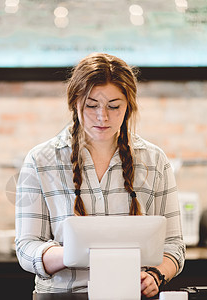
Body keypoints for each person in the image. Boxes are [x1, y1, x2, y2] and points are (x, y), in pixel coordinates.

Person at [15, 52, 185, 298]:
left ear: (129, 106)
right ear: (75, 103)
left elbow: (174, 245)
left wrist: (156, 275)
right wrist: (76, 252)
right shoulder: (40, 161)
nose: (102, 116)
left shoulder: (155, 161)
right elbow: (26, 248)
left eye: (114, 106)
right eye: (92, 105)